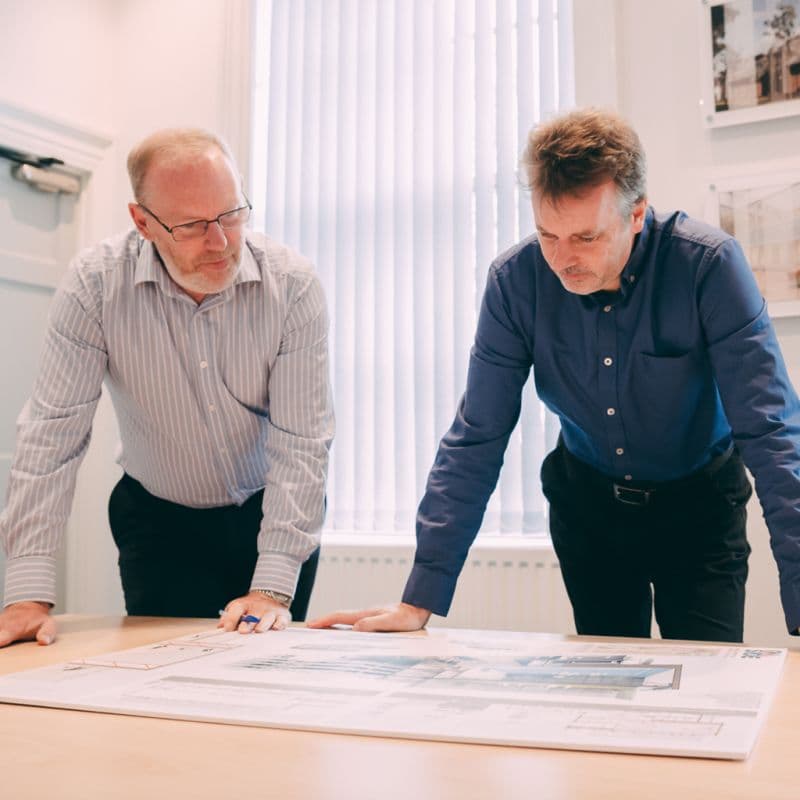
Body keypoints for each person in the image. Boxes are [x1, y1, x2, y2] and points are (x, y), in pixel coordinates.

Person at [310, 108, 800, 642]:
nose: (563, 260)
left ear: (637, 214)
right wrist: (419, 597)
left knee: (708, 680)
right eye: (548, 234)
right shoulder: (515, 282)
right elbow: (477, 435)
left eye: (586, 238)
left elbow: (771, 433)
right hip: (590, 509)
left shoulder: (707, 266)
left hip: (699, 509)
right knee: (607, 682)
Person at [0, 128, 334, 647]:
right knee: (162, 673)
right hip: (157, 519)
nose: (221, 241)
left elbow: (302, 441)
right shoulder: (95, 285)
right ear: (143, 223)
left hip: (269, 513)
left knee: (263, 671)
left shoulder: (291, 285)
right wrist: (26, 594)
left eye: (231, 214)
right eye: (194, 225)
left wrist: (270, 588)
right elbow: (52, 436)